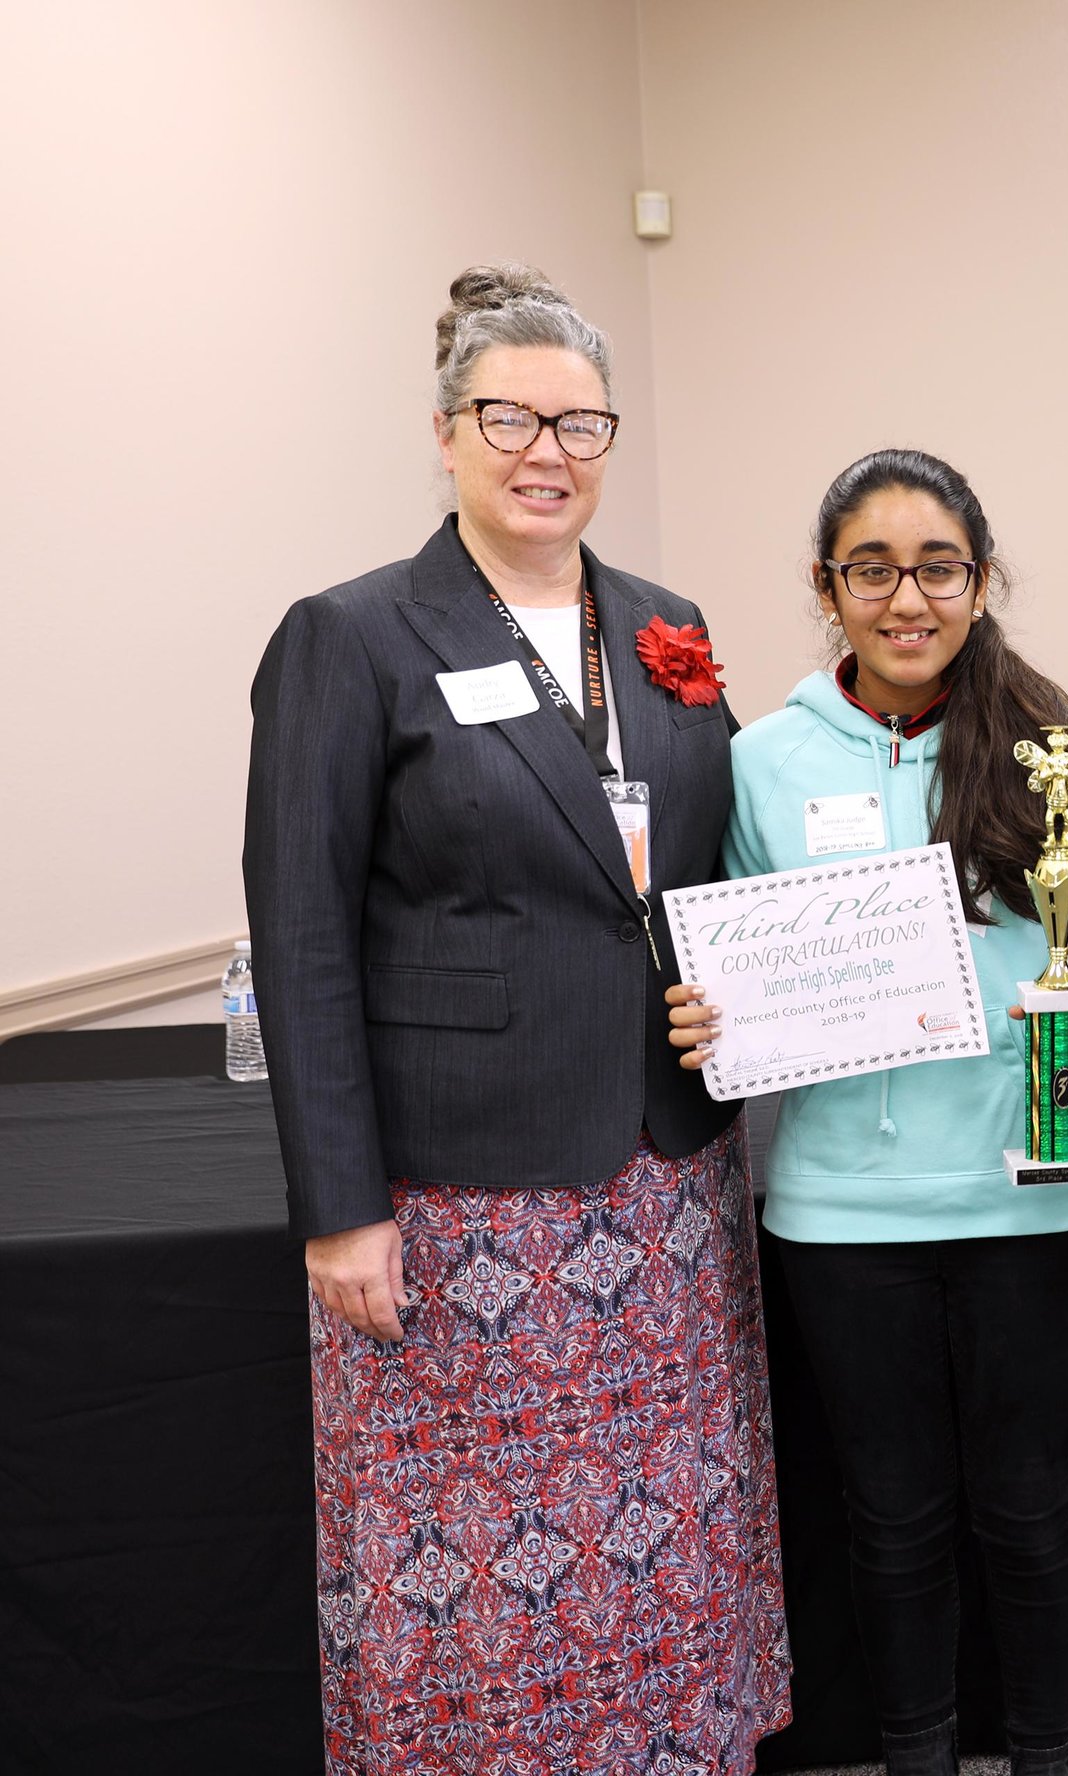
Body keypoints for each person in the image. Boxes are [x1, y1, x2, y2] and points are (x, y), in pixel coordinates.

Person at [243, 264, 791, 1776]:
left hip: (666, 1176)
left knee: (662, 1521)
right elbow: (301, 941)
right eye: (511, 418)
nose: (548, 450)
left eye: (581, 422)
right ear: (445, 432)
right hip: (461, 1199)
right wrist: (340, 1212)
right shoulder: (350, 637)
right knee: (481, 1549)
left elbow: (702, 865)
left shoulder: (665, 624)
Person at [666, 449, 1068, 1776]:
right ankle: (918, 1758)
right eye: (871, 569)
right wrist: (712, 1010)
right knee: (889, 1516)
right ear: (828, 589)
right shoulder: (760, 761)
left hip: (1035, 1182)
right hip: (842, 1206)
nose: (907, 598)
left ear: (981, 579)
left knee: (1029, 1505)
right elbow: (726, 953)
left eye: (937, 567)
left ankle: (1047, 1757)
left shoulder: (1053, 744)